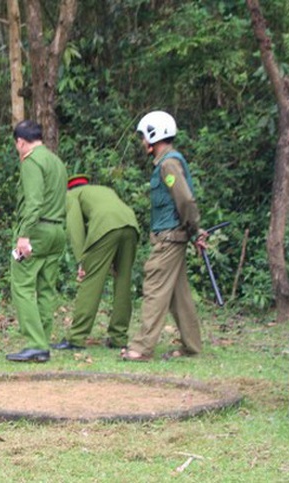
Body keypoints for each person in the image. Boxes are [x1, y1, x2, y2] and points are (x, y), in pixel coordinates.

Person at [122, 111, 206, 362]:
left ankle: (142, 347)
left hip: (169, 238)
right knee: (179, 295)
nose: (141, 142)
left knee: (155, 288)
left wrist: (195, 229)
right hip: (173, 237)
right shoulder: (166, 163)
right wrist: (192, 232)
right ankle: (192, 346)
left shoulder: (169, 164)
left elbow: (185, 199)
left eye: (143, 137)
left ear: (153, 135)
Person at [50, 174, 139, 351]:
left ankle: (77, 338)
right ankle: (119, 337)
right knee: (123, 281)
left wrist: (82, 260)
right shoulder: (104, 190)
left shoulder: (71, 195)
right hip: (130, 225)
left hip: (105, 226)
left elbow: (75, 226)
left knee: (91, 282)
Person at [6, 120, 68, 363]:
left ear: (21, 142)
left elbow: (33, 202)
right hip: (57, 231)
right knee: (45, 287)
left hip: (37, 230)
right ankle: (43, 340)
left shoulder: (31, 161)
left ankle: (35, 344)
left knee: (21, 285)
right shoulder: (56, 161)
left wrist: (24, 234)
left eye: (16, 145)